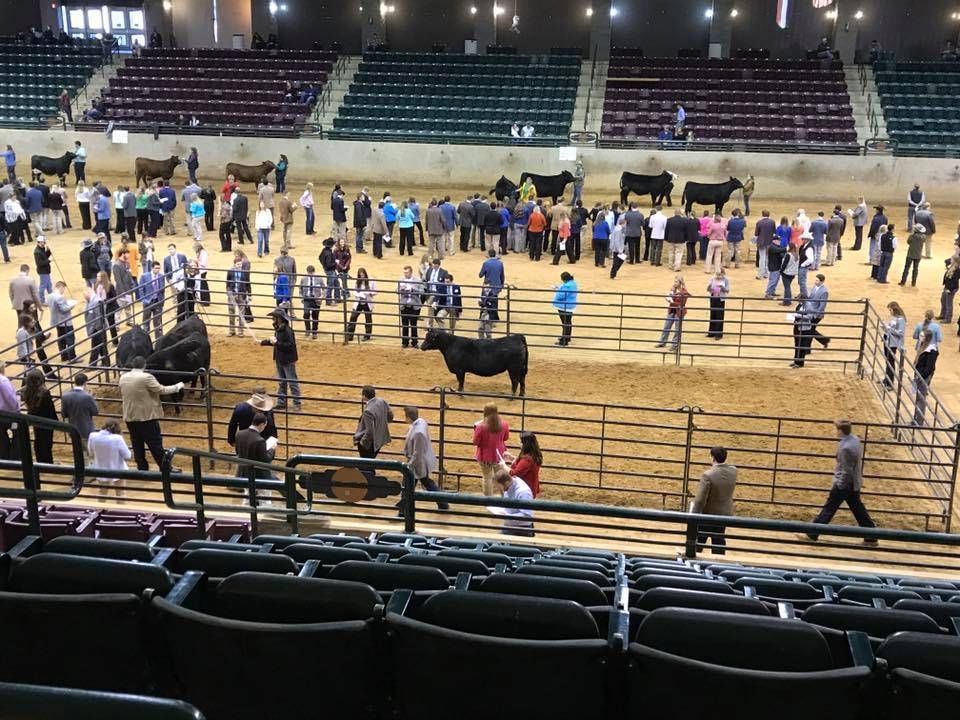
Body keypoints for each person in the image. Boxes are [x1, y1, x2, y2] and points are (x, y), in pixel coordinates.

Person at [803, 419, 877, 543]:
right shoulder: (855, 440)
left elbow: (846, 470)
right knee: (858, 510)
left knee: (829, 508)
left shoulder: (845, 448)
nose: (835, 431)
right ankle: (871, 535)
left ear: (840, 431)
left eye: (836, 429)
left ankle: (812, 533)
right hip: (853, 482)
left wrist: (840, 485)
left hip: (844, 483)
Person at [118, 356, 183, 471]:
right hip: (146, 417)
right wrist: (177, 387)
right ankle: (165, 467)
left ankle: (142, 467)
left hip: (130, 416)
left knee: (137, 444)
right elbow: (161, 390)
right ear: (144, 365)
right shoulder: (146, 377)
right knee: (155, 444)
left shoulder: (123, 377)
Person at [400, 405, 449, 515]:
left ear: (408, 417)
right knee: (426, 483)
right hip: (419, 462)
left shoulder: (418, 432)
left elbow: (418, 453)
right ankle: (443, 503)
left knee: (409, 484)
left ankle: (402, 510)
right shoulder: (421, 422)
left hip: (418, 463)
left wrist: (409, 466)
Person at [690, 446, 737, 554]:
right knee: (718, 542)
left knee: (698, 542)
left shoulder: (708, 475)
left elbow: (700, 500)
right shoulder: (734, 471)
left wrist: (693, 516)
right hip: (724, 515)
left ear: (712, 457)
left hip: (708, 515)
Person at [234, 412, 283, 505]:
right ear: (261, 424)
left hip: (244, 472)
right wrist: (272, 449)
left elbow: (238, 452)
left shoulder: (239, 434)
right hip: (259, 475)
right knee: (264, 499)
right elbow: (266, 458)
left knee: (247, 497)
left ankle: (246, 516)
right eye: (264, 425)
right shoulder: (259, 440)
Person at [260, 308, 301, 411]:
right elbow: (276, 342)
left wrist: (276, 343)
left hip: (287, 359)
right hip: (280, 358)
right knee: (282, 381)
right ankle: (281, 402)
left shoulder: (287, 331)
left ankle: (297, 403)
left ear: (279, 318)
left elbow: (289, 346)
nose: (273, 319)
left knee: (292, 381)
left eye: (274, 317)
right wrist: (264, 342)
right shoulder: (279, 329)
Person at [20, 369, 57, 463]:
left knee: (38, 440)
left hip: (34, 418)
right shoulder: (44, 392)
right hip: (46, 420)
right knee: (47, 442)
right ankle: (48, 462)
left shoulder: (25, 391)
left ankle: (40, 460)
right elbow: (50, 408)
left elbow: (25, 403)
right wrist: (55, 421)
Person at [87, 420, 130, 497]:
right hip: (118, 469)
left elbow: (91, 452)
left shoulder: (92, 436)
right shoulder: (118, 438)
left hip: (100, 469)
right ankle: (120, 509)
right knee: (121, 494)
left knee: (102, 493)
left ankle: (101, 509)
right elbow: (127, 455)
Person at [473, 402, 509, 495]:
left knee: (487, 478)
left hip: (485, 456)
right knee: (502, 478)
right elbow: (505, 438)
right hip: (499, 455)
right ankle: (504, 497)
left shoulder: (480, 426)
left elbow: (475, 442)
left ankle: (488, 500)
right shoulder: (504, 424)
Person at [61, 373, 98, 457]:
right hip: (86, 430)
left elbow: (64, 414)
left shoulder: (65, 396)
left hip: (72, 429)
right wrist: (92, 399)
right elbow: (95, 411)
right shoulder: (87, 397)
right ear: (85, 383)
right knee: (90, 455)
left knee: (78, 454)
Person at [490, 468, 534, 537]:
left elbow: (527, 515)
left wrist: (507, 516)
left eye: (499, 487)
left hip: (522, 529)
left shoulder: (523, 492)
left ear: (506, 483)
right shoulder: (508, 487)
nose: (497, 489)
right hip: (510, 525)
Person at [354, 385, 392, 458]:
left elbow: (370, 432)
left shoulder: (368, 411)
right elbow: (390, 415)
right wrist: (381, 423)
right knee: (370, 463)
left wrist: (362, 443)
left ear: (364, 396)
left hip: (369, 444)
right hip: (380, 439)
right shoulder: (382, 401)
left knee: (365, 465)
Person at [502, 430, 542, 497]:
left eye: (521, 442)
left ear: (526, 443)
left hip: (524, 490)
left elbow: (515, 473)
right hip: (529, 487)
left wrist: (504, 466)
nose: (519, 443)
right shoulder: (533, 453)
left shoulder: (527, 459)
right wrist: (512, 458)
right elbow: (523, 464)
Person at [912, 330, 939, 426]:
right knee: (918, 397)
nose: (920, 337)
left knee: (921, 398)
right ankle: (916, 418)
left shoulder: (932, 351)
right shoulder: (923, 346)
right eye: (920, 335)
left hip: (924, 376)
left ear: (927, 338)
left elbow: (929, 367)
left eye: (922, 336)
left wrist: (921, 376)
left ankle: (919, 421)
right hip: (919, 374)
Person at [656, 276, 689, 351]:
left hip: (679, 312)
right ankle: (662, 342)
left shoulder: (684, 292)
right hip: (671, 310)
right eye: (674, 281)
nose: (674, 283)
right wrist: (668, 298)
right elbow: (670, 296)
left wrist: (671, 301)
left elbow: (682, 304)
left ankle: (675, 345)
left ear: (680, 283)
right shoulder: (673, 289)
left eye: (676, 282)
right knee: (666, 327)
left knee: (677, 329)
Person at [47, 280, 77, 361]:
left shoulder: (50, 296)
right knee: (70, 338)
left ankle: (64, 356)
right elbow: (64, 309)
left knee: (61, 339)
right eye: (63, 288)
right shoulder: (60, 297)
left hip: (57, 321)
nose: (64, 290)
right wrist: (72, 305)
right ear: (60, 287)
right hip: (65, 321)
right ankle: (72, 357)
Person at [345, 267, 376, 342]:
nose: (362, 276)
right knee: (353, 317)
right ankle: (350, 335)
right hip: (358, 302)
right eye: (360, 275)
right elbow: (355, 291)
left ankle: (367, 335)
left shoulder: (371, 282)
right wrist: (358, 294)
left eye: (363, 275)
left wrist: (368, 293)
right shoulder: (357, 282)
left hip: (367, 302)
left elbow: (375, 292)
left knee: (368, 319)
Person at [398, 265, 423, 348]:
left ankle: (414, 342)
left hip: (414, 305)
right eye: (404, 272)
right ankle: (404, 342)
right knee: (404, 324)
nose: (405, 274)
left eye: (407, 272)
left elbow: (422, 291)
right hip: (404, 305)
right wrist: (401, 289)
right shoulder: (401, 280)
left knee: (413, 324)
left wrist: (412, 289)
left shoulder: (418, 280)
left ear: (411, 272)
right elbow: (396, 291)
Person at [882, 301, 906, 389]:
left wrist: (889, 329)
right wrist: (885, 327)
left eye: (890, 310)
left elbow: (900, 333)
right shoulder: (894, 318)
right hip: (887, 339)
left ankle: (890, 382)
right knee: (887, 361)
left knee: (890, 361)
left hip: (893, 343)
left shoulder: (901, 320)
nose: (890, 312)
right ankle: (887, 378)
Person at [226, 258, 251, 337]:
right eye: (238, 264)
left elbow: (248, 284)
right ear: (234, 264)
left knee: (241, 314)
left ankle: (240, 331)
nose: (239, 266)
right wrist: (228, 292)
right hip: (232, 294)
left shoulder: (245, 272)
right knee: (231, 313)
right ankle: (231, 330)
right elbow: (227, 282)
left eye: (240, 264)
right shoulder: (230, 272)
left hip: (241, 294)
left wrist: (249, 295)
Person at [552, 271, 577, 347]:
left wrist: (557, 290)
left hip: (565, 306)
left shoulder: (567, 286)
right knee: (567, 322)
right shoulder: (572, 283)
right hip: (569, 306)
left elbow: (561, 295)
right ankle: (566, 337)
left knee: (565, 323)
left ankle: (564, 341)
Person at [299, 265, 322, 339]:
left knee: (315, 316)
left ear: (314, 272)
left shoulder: (319, 279)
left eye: (311, 273)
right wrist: (301, 297)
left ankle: (314, 332)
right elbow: (300, 289)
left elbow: (325, 288)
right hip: (307, 298)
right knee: (306, 314)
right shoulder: (303, 279)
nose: (310, 274)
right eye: (309, 273)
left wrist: (321, 297)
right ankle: (307, 329)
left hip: (316, 299)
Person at [707, 269, 729, 339]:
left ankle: (718, 334)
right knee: (712, 314)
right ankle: (711, 333)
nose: (718, 276)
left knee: (719, 316)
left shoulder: (726, 280)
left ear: (723, 274)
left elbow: (727, 290)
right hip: (713, 297)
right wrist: (709, 287)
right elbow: (708, 289)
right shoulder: (712, 279)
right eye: (717, 274)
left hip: (720, 299)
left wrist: (722, 287)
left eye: (719, 275)